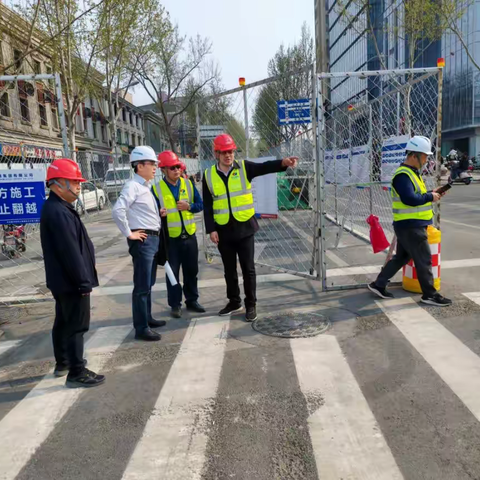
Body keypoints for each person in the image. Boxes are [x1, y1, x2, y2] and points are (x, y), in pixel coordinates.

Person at [203, 133, 298, 322]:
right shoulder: (208, 175)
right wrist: (211, 229)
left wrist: (283, 163)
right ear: (217, 154)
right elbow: (207, 205)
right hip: (223, 230)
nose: (228, 155)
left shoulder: (244, 167)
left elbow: (264, 168)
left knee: (248, 269)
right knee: (229, 270)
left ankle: (251, 304)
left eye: (230, 151)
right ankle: (234, 301)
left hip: (245, 228)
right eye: (224, 152)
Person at [40, 158, 104, 388]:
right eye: (75, 181)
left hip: (62, 282)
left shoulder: (57, 207)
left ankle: (64, 362)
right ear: (59, 184)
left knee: (64, 321)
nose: (79, 186)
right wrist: (83, 283)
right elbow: (70, 252)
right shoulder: (58, 212)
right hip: (71, 282)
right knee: (77, 325)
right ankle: (77, 371)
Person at [368, 136, 452, 307]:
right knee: (424, 259)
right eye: (425, 156)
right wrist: (430, 196)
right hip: (411, 226)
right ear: (414, 155)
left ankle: (378, 284)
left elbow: (416, 195)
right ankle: (429, 295)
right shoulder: (403, 175)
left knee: (401, 257)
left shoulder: (411, 173)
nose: (426, 160)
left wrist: (431, 193)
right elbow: (409, 199)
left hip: (408, 225)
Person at [112, 146, 166, 342]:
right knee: (142, 286)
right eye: (152, 164)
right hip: (143, 241)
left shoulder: (145, 187)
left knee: (148, 284)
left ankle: (147, 318)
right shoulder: (132, 186)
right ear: (140, 165)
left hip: (152, 239)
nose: (155, 167)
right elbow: (118, 211)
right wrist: (129, 234)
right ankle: (141, 328)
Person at [152, 151, 205, 318]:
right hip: (170, 240)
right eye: (172, 168)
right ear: (164, 170)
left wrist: (189, 206)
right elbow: (151, 213)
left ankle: (192, 300)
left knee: (191, 271)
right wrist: (158, 213)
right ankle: (175, 304)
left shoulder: (188, 184)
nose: (177, 170)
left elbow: (200, 205)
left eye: (178, 167)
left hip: (189, 236)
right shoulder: (156, 189)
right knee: (172, 274)